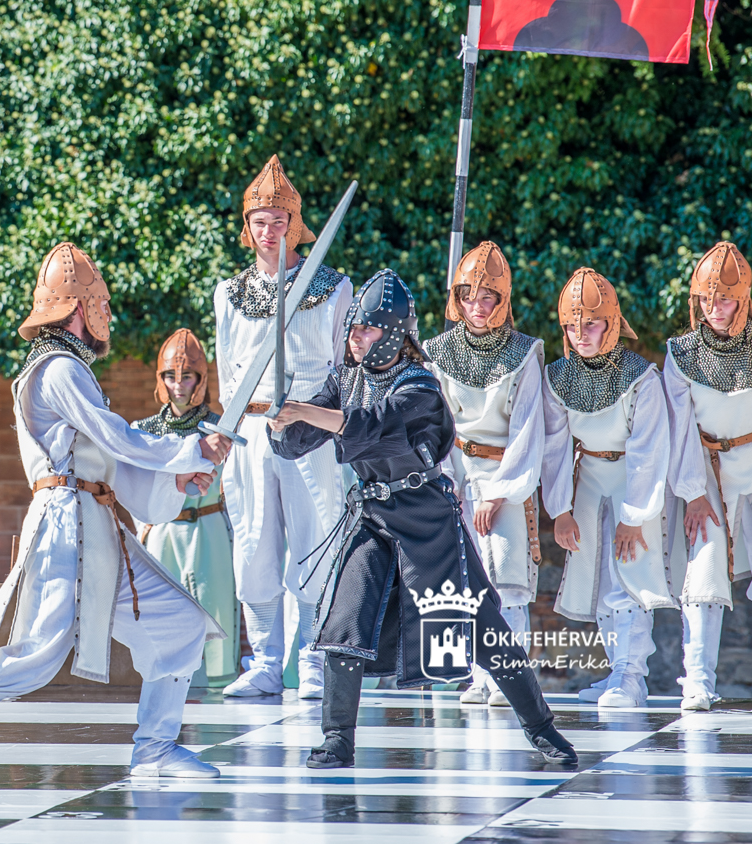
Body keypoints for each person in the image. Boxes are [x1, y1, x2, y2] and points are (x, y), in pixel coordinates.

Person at [0, 242, 233, 783]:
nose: (106, 315)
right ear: (77, 308)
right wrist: (189, 452)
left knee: (178, 625)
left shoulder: (72, 370)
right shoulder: (58, 368)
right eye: (100, 304)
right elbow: (116, 438)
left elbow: (107, 458)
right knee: (33, 657)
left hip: (98, 525)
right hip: (67, 527)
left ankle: (155, 747)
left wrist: (178, 475)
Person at [270, 269, 577, 770]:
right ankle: (336, 739)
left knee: (484, 628)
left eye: (366, 330)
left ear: (392, 332)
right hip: (371, 518)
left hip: (426, 519)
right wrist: (278, 417)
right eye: (352, 330)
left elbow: (370, 426)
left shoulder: (420, 386)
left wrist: (303, 409)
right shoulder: (345, 378)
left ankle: (542, 728)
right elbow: (295, 444)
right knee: (344, 624)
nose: (355, 339)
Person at [212, 155, 351, 699]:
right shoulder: (229, 293)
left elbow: (345, 369)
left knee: (315, 541)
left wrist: (325, 423)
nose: (269, 231)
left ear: (297, 227)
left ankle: (314, 660)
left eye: (279, 221)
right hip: (248, 433)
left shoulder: (334, 289)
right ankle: (266, 661)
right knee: (253, 544)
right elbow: (227, 371)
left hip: (309, 432)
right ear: (246, 228)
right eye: (259, 221)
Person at [541, 267, 676, 709]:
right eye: (572, 326)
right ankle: (616, 668)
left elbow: (648, 449)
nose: (581, 334)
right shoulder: (559, 377)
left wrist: (634, 516)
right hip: (588, 480)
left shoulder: (641, 377)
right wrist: (560, 509)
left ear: (611, 323)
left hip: (630, 480)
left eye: (592, 324)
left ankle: (631, 675)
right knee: (595, 580)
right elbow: (556, 447)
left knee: (629, 578)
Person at [422, 242, 545, 707]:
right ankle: (480, 674)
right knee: (465, 579)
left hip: (504, 477)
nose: (477, 306)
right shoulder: (438, 352)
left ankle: (511, 675)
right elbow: (435, 424)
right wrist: (446, 483)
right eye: (468, 296)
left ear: (502, 301)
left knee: (507, 579)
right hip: (457, 475)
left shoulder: (524, 354)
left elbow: (528, 428)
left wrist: (499, 493)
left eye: (487, 297)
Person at [664, 242, 752, 710]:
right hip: (710, 468)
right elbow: (679, 431)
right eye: (706, 300)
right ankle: (697, 680)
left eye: (723, 299)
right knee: (703, 570)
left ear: (742, 299)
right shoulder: (681, 353)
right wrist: (693, 491)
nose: (714, 309)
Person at [133, 328, 238, 689]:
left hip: (207, 528)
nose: (179, 384)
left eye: (187, 375)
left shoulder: (220, 429)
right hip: (161, 530)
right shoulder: (142, 430)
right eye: (170, 375)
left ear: (200, 379)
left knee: (216, 613)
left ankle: (217, 695)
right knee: (161, 618)